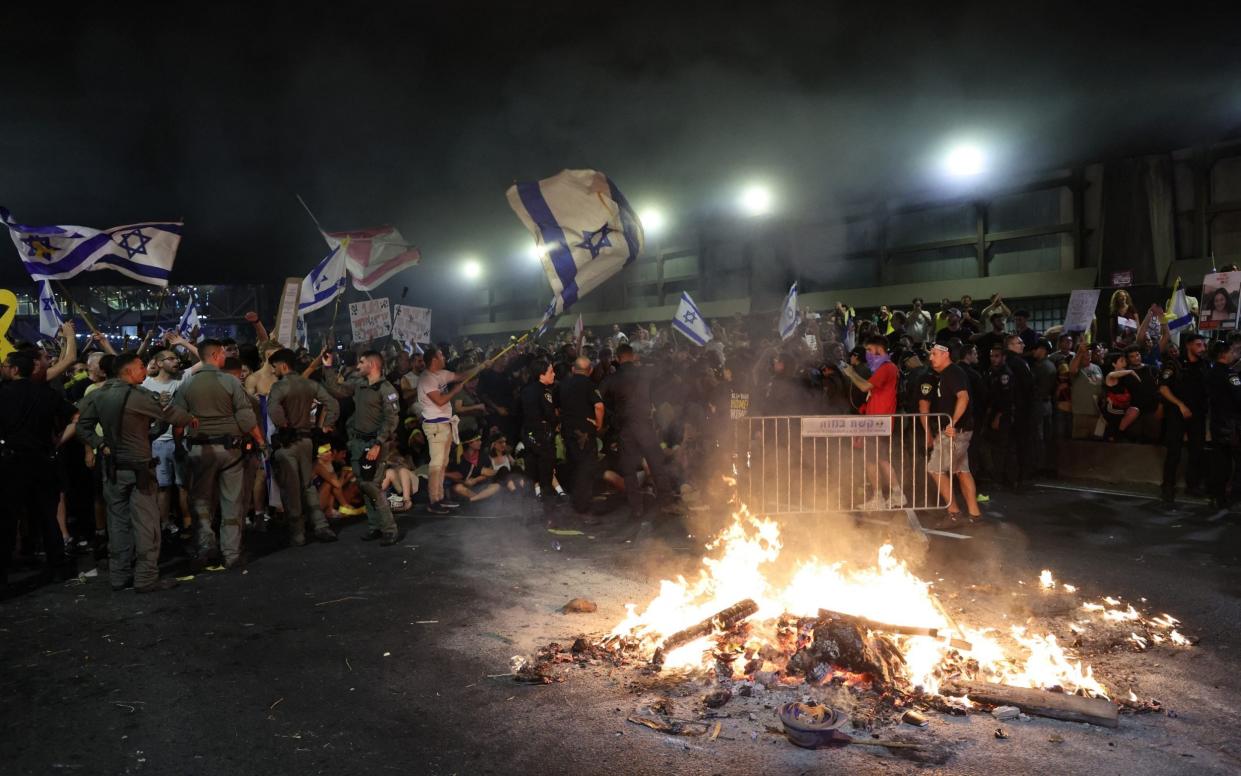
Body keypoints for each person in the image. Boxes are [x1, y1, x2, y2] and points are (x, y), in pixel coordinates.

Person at [77, 352, 196, 593]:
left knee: (117, 524)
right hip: (139, 468)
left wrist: (100, 443)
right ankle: (146, 577)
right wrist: (188, 418)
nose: (146, 370)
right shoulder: (138, 396)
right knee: (147, 526)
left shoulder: (97, 395)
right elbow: (173, 416)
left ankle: (119, 575)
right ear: (128, 371)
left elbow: (83, 426)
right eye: (141, 367)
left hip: (112, 469)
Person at [174, 339, 265, 569]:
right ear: (215, 355)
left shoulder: (187, 385)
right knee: (232, 502)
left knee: (202, 502)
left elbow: (177, 421)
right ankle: (231, 553)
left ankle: (206, 547)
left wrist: (178, 445)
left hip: (199, 450)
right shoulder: (231, 383)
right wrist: (260, 441)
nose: (225, 357)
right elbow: (246, 419)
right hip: (230, 451)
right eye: (223, 353)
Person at [0, 350, 80, 591]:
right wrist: (58, 441)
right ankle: (57, 566)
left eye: (5, 364)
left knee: (6, 520)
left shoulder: (2, 393)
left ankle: (3, 575)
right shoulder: (47, 393)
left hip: (10, 463)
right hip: (43, 461)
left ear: (14, 370)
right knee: (48, 516)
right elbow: (76, 415)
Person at [326, 350, 402, 544]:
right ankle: (375, 526)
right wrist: (328, 367)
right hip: (358, 443)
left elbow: (391, 420)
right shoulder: (359, 384)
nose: (357, 366)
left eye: (361, 362)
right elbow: (337, 389)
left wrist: (378, 443)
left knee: (372, 486)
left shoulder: (387, 390)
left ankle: (389, 529)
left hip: (375, 444)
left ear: (373, 365)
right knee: (363, 484)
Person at [267, 348, 341, 545]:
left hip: (287, 442)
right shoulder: (310, 384)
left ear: (283, 366)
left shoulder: (278, 387)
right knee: (308, 485)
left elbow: (273, 410)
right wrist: (326, 426)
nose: (273, 371)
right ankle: (321, 525)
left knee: (292, 488)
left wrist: (283, 426)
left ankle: (298, 533)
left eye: (274, 367)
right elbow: (332, 403)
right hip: (307, 440)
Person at [601, 344, 675, 535]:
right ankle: (666, 502)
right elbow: (665, 377)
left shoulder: (613, 378)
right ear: (633, 356)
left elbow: (599, 397)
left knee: (628, 469)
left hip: (626, 427)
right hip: (645, 424)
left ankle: (636, 508)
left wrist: (613, 417)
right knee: (656, 463)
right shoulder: (645, 373)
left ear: (617, 358)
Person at [918, 343, 981, 521]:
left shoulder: (952, 372)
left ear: (946, 354)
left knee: (935, 469)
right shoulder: (949, 373)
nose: (931, 357)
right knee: (961, 470)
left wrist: (952, 423)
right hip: (958, 430)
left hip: (955, 432)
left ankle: (953, 511)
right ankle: (974, 513)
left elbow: (964, 397)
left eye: (934, 354)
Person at [840, 335, 904, 509]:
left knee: (877, 460)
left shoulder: (886, 368)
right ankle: (886, 496)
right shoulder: (885, 368)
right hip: (876, 421)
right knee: (877, 460)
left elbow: (864, 387)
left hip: (879, 422)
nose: (867, 353)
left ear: (879, 349)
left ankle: (890, 495)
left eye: (869, 349)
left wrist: (851, 372)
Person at [416, 346, 472, 515]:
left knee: (443, 464)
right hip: (435, 426)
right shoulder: (426, 379)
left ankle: (440, 497)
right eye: (441, 355)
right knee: (436, 464)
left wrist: (481, 366)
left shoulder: (441, 374)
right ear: (434, 359)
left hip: (445, 424)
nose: (444, 358)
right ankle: (434, 501)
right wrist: (455, 390)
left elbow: (461, 376)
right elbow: (439, 400)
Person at [142, 349, 190, 540]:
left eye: (176, 358)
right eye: (170, 358)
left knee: (184, 485)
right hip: (158, 443)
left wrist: (185, 342)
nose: (176, 361)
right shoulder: (146, 385)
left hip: (182, 441)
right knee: (163, 487)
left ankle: (187, 521)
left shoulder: (182, 379)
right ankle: (164, 523)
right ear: (158, 363)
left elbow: (204, 360)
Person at [1158, 333, 1208, 504]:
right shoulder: (1175, 364)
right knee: (1174, 452)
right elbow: (1163, 389)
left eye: (1203, 345)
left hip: (1198, 416)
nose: (1202, 348)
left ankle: (1192, 485)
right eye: (1199, 345)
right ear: (1188, 345)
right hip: (1176, 414)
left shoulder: (1205, 365)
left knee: (1197, 451)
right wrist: (1180, 405)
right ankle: (1167, 486)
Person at [558, 356, 604, 521]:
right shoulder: (590, 385)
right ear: (590, 370)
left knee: (574, 466)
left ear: (572, 369)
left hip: (569, 433)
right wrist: (598, 424)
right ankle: (583, 507)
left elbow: (557, 409)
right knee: (586, 468)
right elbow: (599, 406)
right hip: (585, 434)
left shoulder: (562, 385)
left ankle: (576, 503)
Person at [519, 358, 560, 523]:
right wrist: (556, 420)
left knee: (531, 475)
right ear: (541, 375)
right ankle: (548, 514)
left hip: (528, 437)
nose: (554, 374)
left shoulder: (525, 390)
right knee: (546, 476)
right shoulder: (545, 392)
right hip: (542, 438)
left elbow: (518, 413)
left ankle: (529, 514)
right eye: (551, 371)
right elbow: (549, 415)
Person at [1206, 340, 1241, 511]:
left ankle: (1216, 496)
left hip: (1217, 422)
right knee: (1235, 462)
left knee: (1220, 461)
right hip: (1232, 425)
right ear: (1224, 354)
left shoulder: (1211, 373)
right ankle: (1233, 497)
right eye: (1231, 351)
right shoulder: (1230, 374)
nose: (1233, 354)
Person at [1003, 334, 1034, 491]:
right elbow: (1027, 386)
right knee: (1020, 445)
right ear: (1010, 345)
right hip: (1020, 410)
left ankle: (1010, 478)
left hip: (1010, 410)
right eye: (1018, 342)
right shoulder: (1018, 363)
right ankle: (1019, 478)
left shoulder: (1005, 362)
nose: (1022, 345)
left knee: (1010, 446)